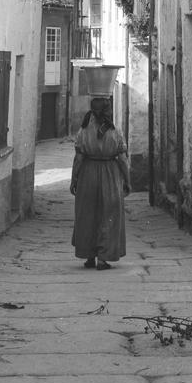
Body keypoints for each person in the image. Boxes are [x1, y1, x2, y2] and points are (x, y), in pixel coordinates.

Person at [69, 96, 131, 270]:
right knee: (108, 214)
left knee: (87, 214)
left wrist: (74, 179)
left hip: (87, 174)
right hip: (110, 174)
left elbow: (78, 159)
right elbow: (122, 159)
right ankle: (103, 258)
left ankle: (89, 256)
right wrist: (127, 180)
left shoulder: (83, 131)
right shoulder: (116, 131)